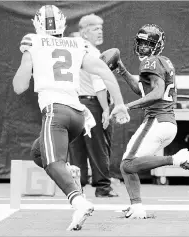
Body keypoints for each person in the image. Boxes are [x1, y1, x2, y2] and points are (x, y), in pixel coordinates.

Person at [12, 5, 129, 231]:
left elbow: (19, 87)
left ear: (37, 24)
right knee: (38, 152)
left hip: (56, 111)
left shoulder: (33, 41)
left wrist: (27, 57)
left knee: (51, 161)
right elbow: (104, 71)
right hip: (77, 116)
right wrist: (120, 103)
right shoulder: (77, 43)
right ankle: (69, 173)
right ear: (63, 24)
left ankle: (78, 201)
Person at [111, 24, 189, 219]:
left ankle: (177, 159)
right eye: (141, 43)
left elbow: (157, 93)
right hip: (165, 122)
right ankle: (137, 207)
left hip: (157, 120)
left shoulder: (151, 62)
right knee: (129, 163)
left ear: (157, 46)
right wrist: (123, 70)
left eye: (148, 43)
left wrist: (126, 106)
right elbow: (143, 90)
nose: (143, 47)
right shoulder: (163, 61)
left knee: (127, 163)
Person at [68, 14, 118, 198]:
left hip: (73, 103)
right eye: (95, 28)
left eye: (101, 28)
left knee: (76, 147)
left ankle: (76, 188)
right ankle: (103, 187)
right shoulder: (93, 53)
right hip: (92, 103)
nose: (100, 31)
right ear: (84, 32)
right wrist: (106, 109)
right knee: (98, 146)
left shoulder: (72, 47)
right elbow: (99, 85)